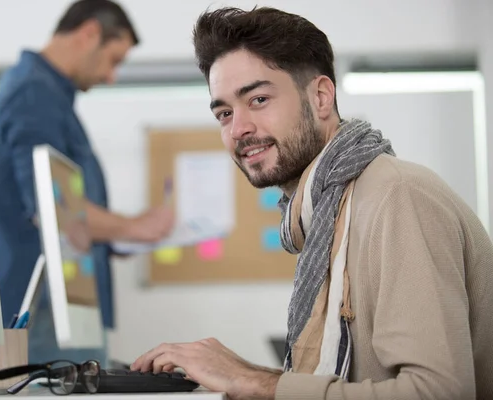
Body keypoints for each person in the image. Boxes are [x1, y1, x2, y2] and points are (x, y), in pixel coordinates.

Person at [130, 6, 493, 400]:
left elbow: (439, 392)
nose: (239, 128)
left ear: (321, 97)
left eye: (259, 99)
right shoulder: (325, 214)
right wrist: (237, 372)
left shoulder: (395, 196)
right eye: (224, 113)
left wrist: (254, 382)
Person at [0, 0, 174, 367]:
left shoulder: (45, 93)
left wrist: (113, 235)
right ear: (89, 34)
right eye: (114, 60)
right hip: (46, 311)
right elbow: (50, 207)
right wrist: (134, 226)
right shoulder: (33, 95)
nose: (111, 76)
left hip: (57, 307)